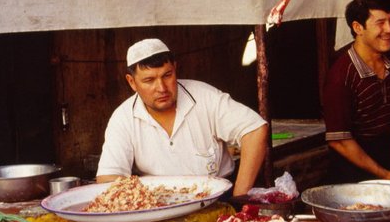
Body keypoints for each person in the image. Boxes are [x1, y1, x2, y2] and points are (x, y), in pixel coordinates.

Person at [96, 38, 269, 196]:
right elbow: (109, 177)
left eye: (167, 75)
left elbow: (254, 130)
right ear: (132, 82)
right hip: (156, 204)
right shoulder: (123, 118)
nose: (161, 88)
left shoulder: (205, 97)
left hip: (217, 198)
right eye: (149, 80)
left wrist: (239, 197)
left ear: (175, 69)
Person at [322, 0, 390, 183]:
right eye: (380, 23)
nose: (389, 29)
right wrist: (385, 175)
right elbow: (339, 141)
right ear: (358, 27)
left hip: (388, 161)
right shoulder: (341, 75)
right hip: (353, 174)